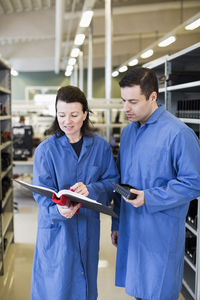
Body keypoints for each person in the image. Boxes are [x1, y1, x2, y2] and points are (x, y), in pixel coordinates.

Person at [111, 67, 200, 300]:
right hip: (132, 229)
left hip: (160, 234)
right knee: (139, 292)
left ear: (152, 97)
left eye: (133, 101)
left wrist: (149, 197)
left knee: (158, 291)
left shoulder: (178, 134)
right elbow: (121, 181)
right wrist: (116, 223)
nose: (125, 109)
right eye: (123, 101)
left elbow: (194, 182)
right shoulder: (129, 133)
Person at [31, 85, 119, 300]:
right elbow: (40, 194)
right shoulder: (46, 150)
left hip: (88, 228)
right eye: (61, 115)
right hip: (57, 231)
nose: (67, 121)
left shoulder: (100, 147)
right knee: (55, 288)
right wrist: (58, 210)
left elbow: (112, 183)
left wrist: (93, 189)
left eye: (73, 115)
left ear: (85, 114)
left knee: (85, 286)